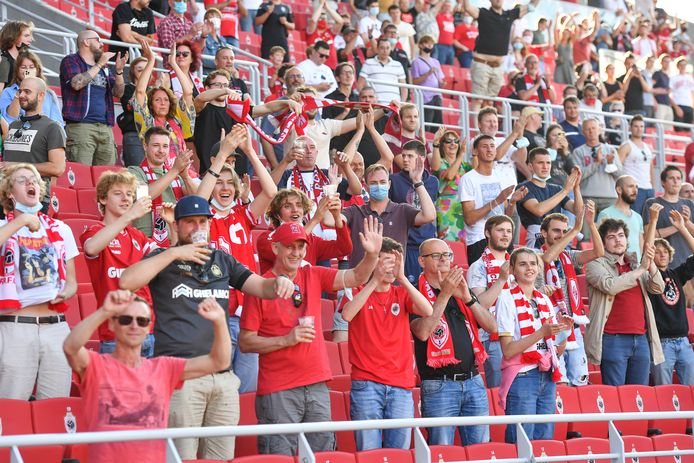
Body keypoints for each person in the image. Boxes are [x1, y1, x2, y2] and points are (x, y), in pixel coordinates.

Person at [119, 194, 295, 460]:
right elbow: (126, 281)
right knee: (181, 458)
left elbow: (258, 286)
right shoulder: (163, 258)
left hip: (222, 377)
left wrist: (279, 283)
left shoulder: (222, 260)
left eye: (203, 221)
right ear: (177, 226)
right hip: (181, 375)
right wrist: (175, 251)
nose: (198, 227)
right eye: (190, 222)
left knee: (221, 458)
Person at [239, 218, 384, 456]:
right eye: (290, 246)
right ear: (275, 248)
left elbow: (357, 277)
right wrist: (287, 339)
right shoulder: (260, 286)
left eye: (301, 246)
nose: (296, 253)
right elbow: (245, 342)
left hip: (316, 384)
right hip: (279, 389)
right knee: (278, 458)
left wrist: (372, 255)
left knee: (322, 455)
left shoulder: (312, 274)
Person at [63, 291, 231, 463]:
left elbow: (219, 362)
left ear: (148, 327)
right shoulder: (96, 365)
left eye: (142, 321)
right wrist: (104, 311)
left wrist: (219, 321)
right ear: (112, 324)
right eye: (126, 320)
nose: (134, 326)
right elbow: (70, 347)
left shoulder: (164, 368)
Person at [195, 125, 277, 392]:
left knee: (247, 391)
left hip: (250, 316)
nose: (225, 188)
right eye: (219, 183)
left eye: (230, 183)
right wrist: (222, 158)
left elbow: (272, 193)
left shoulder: (243, 215)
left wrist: (251, 152)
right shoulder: (202, 218)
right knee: (220, 389)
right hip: (221, 314)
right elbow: (198, 197)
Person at [342, 237, 433, 450]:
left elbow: (428, 311)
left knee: (399, 453)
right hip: (367, 383)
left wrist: (402, 278)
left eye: (394, 262)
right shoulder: (357, 290)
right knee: (369, 452)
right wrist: (374, 280)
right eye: (384, 262)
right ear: (373, 262)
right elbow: (347, 314)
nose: (389, 268)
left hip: (400, 384)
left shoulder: (401, 293)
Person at [0, 163, 78, 400]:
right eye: (22, 180)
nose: (30, 183)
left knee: (56, 407)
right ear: (10, 193)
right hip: (16, 326)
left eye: (33, 179)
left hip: (56, 326)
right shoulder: (4, 226)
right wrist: (21, 222)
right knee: (11, 406)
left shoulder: (61, 229)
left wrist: (67, 292)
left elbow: (72, 282)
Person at [413, 238, 495, 446]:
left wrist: (467, 297)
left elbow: (492, 327)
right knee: (442, 452)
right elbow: (422, 332)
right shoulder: (414, 292)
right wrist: (445, 294)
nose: (444, 259)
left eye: (447, 254)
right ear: (422, 261)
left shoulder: (461, 290)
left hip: (474, 380)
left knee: (481, 453)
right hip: (439, 384)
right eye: (436, 255)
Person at [81, 170, 159, 357]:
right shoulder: (95, 231)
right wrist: (129, 217)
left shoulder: (138, 236)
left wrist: (172, 227)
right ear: (102, 199)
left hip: (147, 329)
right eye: (118, 193)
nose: (126, 199)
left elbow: (163, 258)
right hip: (116, 333)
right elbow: (91, 248)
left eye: (130, 194)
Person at [496, 247, 569, 443]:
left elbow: (553, 348)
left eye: (533, 263)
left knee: (544, 441)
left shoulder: (543, 298)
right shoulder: (506, 298)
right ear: (511, 269)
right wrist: (541, 334)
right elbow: (508, 350)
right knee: (521, 442)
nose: (529, 268)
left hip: (547, 373)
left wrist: (564, 333)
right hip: (523, 376)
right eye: (522, 264)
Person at [585, 218, 664, 386]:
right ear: (603, 242)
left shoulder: (635, 265)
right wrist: (642, 268)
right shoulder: (594, 265)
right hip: (613, 339)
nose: (618, 240)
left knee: (639, 396)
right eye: (611, 237)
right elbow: (610, 286)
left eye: (621, 235)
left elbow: (658, 288)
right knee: (616, 396)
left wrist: (650, 265)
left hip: (641, 338)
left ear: (627, 240)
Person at [538, 207, 603, 389]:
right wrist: (574, 231)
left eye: (565, 231)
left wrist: (590, 224)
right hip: (550, 329)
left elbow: (598, 253)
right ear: (544, 232)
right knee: (560, 385)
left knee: (581, 383)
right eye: (557, 230)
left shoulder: (569, 256)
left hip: (573, 326)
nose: (562, 235)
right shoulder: (533, 256)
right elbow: (547, 257)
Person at [194, 69, 300, 174]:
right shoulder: (202, 108)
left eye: (226, 85)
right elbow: (199, 98)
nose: (223, 88)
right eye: (218, 84)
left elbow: (267, 108)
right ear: (207, 88)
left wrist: (287, 102)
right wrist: (225, 90)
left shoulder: (237, 110)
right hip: (210, 172)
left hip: (237, 174)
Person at [341, 163, 436, 269]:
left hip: (392, 281)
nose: (378, 186)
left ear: (389, 184)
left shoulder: (402, 210)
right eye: (373, 183)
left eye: (382, 182)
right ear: (366, 187)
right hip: (360, 282)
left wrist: (418, 182)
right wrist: (333, 190)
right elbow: (330, 221)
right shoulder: (355, 211)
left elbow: (430, 216)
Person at [59, 30, 127, 166]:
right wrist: (99, 65)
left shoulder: (104, 67)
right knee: (81, 174)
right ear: (86, 42)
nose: (101, 44)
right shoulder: (71, 60)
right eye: (97, 40)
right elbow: (76, 84)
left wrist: (119, 72)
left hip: (105, 127)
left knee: (106, 178)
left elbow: (118, 93)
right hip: (81, 127)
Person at [459, 135, 526, 264]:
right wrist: (496, 201)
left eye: (492, 146)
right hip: (479, 239)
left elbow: (506, 215)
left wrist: (512, 201)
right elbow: (469, 219)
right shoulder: (468, 179)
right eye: (484, 146)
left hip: (503, 239)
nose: (489, 150)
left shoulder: (500, 176)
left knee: (508, 282)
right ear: (475, 151)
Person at [3, 77, 66, 212]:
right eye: (20, 91)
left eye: (27, 92)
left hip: (34, 199)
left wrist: (15, 167)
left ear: (41, 95)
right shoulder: (13, 126)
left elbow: (58, 168)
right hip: (6, 197)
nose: (22, 95)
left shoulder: (52, 128)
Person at [466, 215, 514, 388]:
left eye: (509, 231)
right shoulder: (477, 266)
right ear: (487, 232)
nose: (505, 235)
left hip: (519, 334)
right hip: (493, 337)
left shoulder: (518, 263)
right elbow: (479, 305)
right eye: (500, 230)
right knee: (500, 392)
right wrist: (501, 280)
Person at [133, 40, 195, 171]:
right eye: (157, 100)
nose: (162, 103)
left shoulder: (178, 121)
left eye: (166, 100)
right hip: (157, 173)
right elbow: (140, 92)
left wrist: (174, 64)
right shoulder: (147, 122)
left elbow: (188, 92)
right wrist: (151, 61)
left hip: (184, 174)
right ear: (150, 104)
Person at [128, 126, 196, 245]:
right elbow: (145, 196)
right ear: (145, 146)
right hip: (147, 241)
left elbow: (197, 200)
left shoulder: (176, 175)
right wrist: (174, 170)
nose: (161, 150)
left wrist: (186, 177)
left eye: (165, 146)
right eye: (156, 145)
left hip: (177, 239)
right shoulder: (134, 172)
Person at [650, 209, 694, 385]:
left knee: (691, 393)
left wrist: (682, 228)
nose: (662, 254)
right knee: (663, 394)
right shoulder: (647, 277)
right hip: (661, 343)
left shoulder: (677, 274)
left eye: (665, 252)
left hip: (683, 342)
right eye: (657, 251)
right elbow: (646, 254)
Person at [462, 0, 530, 112]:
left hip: (498, 66)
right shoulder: (483, 13)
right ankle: (475, 128)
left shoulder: (509, 15)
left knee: (490, 101)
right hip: (481, 63)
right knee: (478, 100)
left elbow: (530, 6)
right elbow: (468, 7)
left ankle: (486, 127)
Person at [389, 140, 439, 283]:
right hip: (404, 245)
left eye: (410, 156)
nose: (404, 159)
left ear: (421, 158)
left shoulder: (433, 181)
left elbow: (429, 211)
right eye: (403, 156)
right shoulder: (393, 180)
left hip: (426, 244)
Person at [516, 148, 583, 248]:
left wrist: (576, 187)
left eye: (548, 163)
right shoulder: (524, 187)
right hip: (537, 240)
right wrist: (565, 191)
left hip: (557, 240)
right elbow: (539, 210)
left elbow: (578, 211)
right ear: (530, 166)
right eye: (540, 163)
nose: (545, 167)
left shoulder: (556, 189)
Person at [570, 118, 622, 231]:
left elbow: (620, 175)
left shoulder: (610, 149)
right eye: (588, 129)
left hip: (609, 197)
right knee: (586, 236)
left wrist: (610, 164)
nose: (591, 131)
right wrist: (596, 163)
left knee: (611, 233)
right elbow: (578, 176)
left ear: (599, 130)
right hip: (586, 197)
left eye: (594, 128)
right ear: (583, 132)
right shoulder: (578, 152)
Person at [643, 166, 694, 268]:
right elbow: (649, 236)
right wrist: (678, 226)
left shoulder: (689, 204)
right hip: (665, 265)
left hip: (689, 263)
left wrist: (686, 222)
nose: (676, 181)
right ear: (663, 182)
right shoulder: (652, 203)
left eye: (678, 178)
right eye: (671, 178)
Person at [0, 51, 63, 125]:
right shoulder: (8, 92)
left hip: (44, 133)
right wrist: (21, 90)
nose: (27, 70)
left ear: (37, 70)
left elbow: (57, 122)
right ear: (17, 70)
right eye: (23, 67)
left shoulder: (49, 94)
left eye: (31, 67)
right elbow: (8, 119)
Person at [430, 128, 471, 242]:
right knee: (448, 242)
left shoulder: (464, 165)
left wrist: (475, 152)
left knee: (464, 243)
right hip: (446, 208)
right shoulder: (441, 162)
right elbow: (449, 176)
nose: (453, 144)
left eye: (455, 141)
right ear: (442, 145)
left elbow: (477, 173)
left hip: (462, 207)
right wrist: (462, 154)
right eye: (448, 141)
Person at [597, 175, 645, 261]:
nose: (635, 191)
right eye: (631, 186)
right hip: (614, 267)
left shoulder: (638, 217)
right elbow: (599, 244)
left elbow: (640, 245)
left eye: (636, 187)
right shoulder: (605, 214)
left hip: (636, 267)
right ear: (619, 190)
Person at [617, 115, 655, 214]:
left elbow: (651, 169)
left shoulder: (648, 147)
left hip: (648, 188)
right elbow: (617, 169)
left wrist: (653, 187)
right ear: (630, 128)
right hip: (634, 189)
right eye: (636, 126)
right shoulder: (626, 146)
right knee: (635, 217)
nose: (639, 129)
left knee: (650, 220)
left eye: (641, 126)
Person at [118, 56, 149, 167]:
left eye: (147, 69)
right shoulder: (128, 88)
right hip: (134, 134)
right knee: (137, 171)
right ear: (133, 72)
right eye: (140, 69)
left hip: (153, 135)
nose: (144, 72)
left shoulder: (154, 90)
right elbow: (131, 107)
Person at [411, 35, 445, 133]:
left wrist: (442, 83)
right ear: (420, 45)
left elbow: (441, 81)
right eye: (427, 43)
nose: (429, 45)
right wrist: (428, 73)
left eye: (431, 44)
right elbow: (415, 82)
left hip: (437, 96)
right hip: (425, 97)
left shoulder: (436, 62)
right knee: (426, 125)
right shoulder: (416, 62)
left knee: (437, 126)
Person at [357, 38, 407, 105]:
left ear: (390, 49)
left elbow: (403, 87)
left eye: (387, 48)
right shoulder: (368, 63)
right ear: (377, 49)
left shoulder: (398, 65)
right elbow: (360, 84)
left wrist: (401, 103)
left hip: (395, 105)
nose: (385, 51)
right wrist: (366, 101)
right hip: (376, 105)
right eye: (382, 48)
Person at [0, 20, 33, 93]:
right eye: (26, 36)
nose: (31, 39)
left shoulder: (26, 60)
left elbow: (30, 82)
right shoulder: (4, 60)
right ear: (14, 37)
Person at [670, 57, 694, 130]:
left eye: (684, 65)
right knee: (679, 130)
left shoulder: (690, 78)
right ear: (678, 66)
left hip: (689, 106)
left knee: (688, 131)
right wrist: (676, 107)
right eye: (681, 65)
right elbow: (669, 94)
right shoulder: (673, 78)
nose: (683, 67)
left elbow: (692, 94)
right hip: (678, 105)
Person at [652, 54, 674, 125]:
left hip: (667, 105)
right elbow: (650, 88)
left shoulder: (667, 77)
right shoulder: (657, 74)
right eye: (665, 61)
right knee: (659, 128)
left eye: (668, 62)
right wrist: (654, 101)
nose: (667, 64)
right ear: (661, 62)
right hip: (659, 105)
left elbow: (667, 91)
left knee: (668, 131)